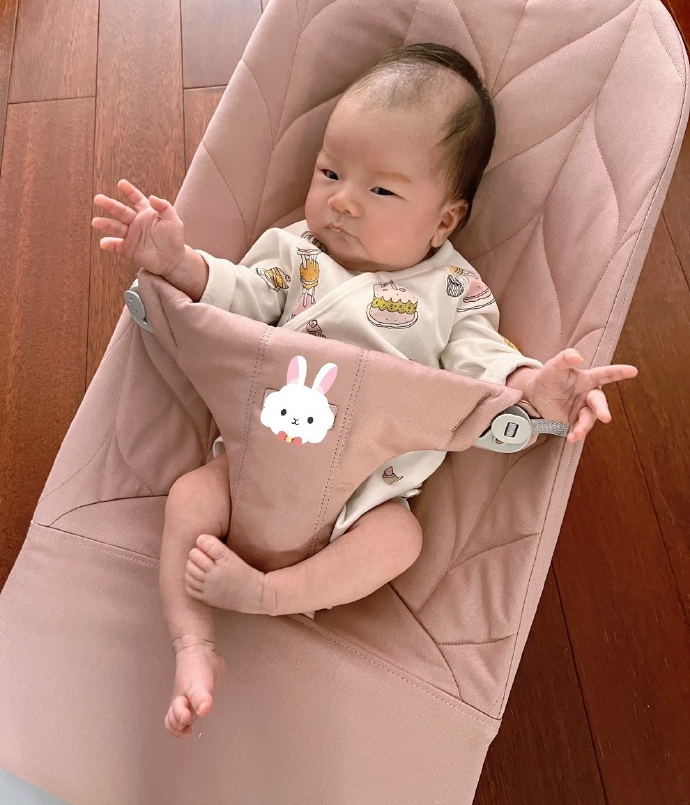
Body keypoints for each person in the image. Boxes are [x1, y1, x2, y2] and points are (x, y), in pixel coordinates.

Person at [92, 43, 638, 739]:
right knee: (190, 498)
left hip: (365, 493)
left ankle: (271, 594)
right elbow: (239, 300)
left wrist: (539, 386)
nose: (343, 201)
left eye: (381, 191)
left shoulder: (454, 292)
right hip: (259, 459)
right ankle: (193, 644)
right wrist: (179, 263)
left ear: (444, 220)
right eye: (329, 172)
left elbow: (485, 367)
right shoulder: (295, 252)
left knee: (399, 540)